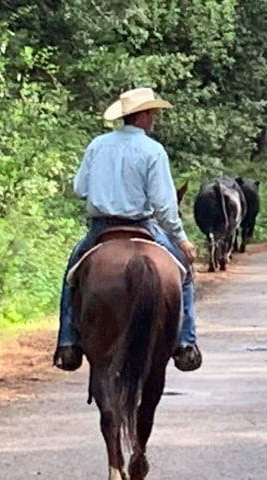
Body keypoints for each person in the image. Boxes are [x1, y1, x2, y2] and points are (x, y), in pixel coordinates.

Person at [53, 88, 201, 374]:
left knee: (72, 276)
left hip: (102, 228)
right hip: (143, 226)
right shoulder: (153, 150)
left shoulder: (98, 145)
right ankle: (185, 342)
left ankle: (68, 341)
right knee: (185, 275)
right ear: (143, 114)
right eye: (153, 113)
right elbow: (163, 204)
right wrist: (181, 239)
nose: (155, 118)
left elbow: (80, 188)